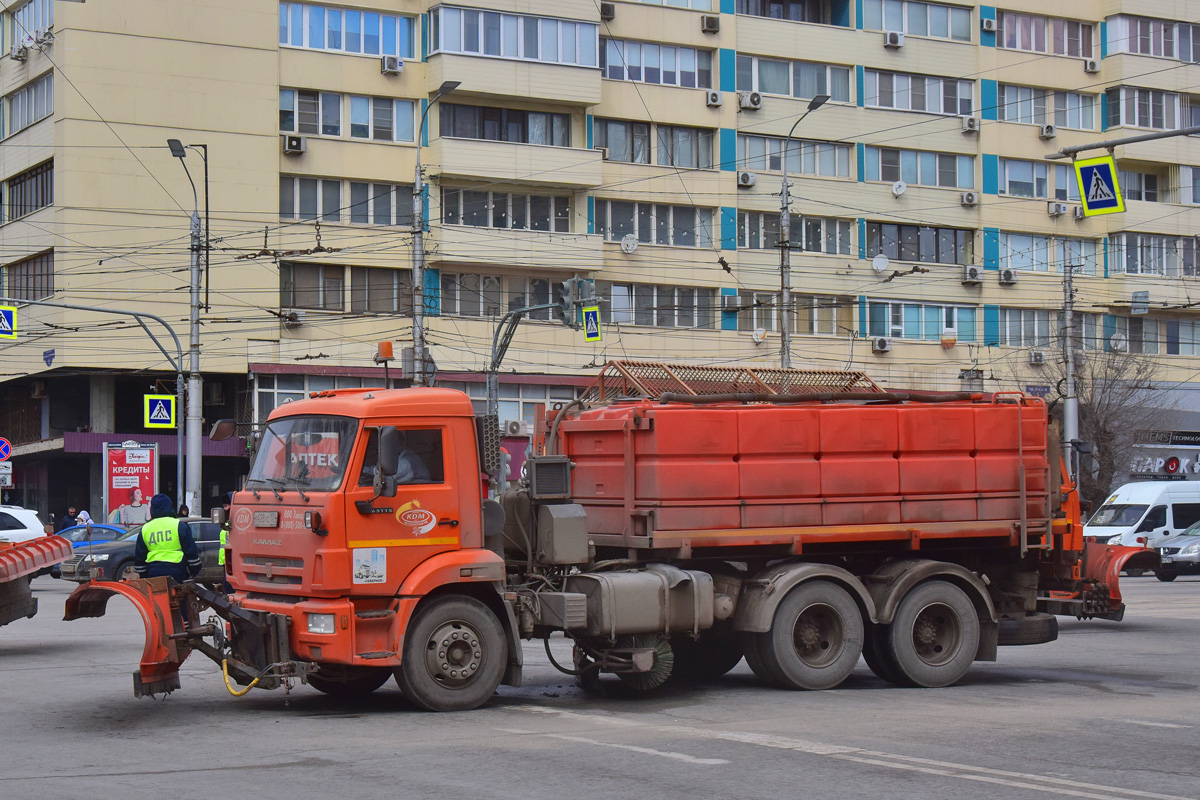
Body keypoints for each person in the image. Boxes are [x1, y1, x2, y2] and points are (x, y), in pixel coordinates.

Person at [133, 493, 202, 583]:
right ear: (169, 506)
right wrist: (192, 572)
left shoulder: (145, 528)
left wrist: (144, 575)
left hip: (153, 572)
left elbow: (139, 556)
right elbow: (191, 551)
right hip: (177, 571)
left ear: (152, 508)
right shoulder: (179, 525)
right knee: (179, 596)